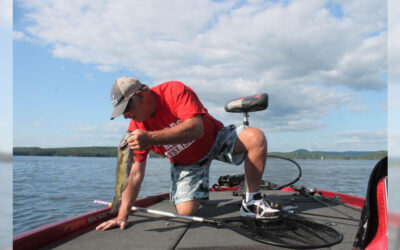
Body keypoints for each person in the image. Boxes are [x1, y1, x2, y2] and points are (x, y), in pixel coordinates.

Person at [96, 77, 279, 231]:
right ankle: (190, 190)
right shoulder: (136, 129)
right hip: (187, 163)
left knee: (255, 137)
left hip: (215, 138)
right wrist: (122, 215)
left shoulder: (174, 90)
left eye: (127, 108)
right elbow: (135, 174)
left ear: (140, 95)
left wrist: (151, 138)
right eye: (122, 113)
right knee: (186, 213)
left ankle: (251, 201)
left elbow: (196, 129)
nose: (126, 116)